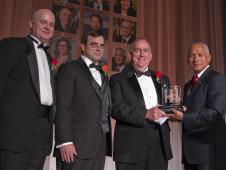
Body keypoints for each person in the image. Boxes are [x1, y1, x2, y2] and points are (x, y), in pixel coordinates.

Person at [0, 9, 55, 170]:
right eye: (43, 22)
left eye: (51, 24)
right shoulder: (11, 45)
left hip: (42, 131)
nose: (47, 27)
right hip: (14, 131)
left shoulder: (48, 57)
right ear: (31, 23)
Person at [110, 38, 173, 170]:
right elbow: (116, 108)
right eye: (137, 51)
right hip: (131, 148)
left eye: (145, 51)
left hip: (159, 146)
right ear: (131, 55)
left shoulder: (163, 78)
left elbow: (168, 105)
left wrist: (176, 110)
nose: (142, 54)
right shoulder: (117, 79)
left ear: (150, 56)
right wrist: (146, 114)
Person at [54, 30, 112, 170]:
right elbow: (62, 106)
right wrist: (65, 141)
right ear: (83, 46)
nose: (99, 49)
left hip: (99, 145)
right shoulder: (69, 68)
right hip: (74, 145)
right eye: (94, 45)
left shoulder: (103, 74)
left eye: (101, 45)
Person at [170, 42, 226, 170]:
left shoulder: (216, 79)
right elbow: (190, 110)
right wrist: (175, 111)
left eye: (200, 55)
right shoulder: (188, 85)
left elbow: (215, 112)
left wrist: (184, 117)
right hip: (191, 153)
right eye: (192, 55)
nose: (195, 59)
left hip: (209, 153)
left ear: (209, 57)